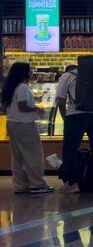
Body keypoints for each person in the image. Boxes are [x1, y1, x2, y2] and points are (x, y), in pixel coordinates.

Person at [55, 60, 93, 192]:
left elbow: (60, 99)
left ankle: (72, 183)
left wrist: (66, 117)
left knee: (70, 147)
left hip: (75, 114)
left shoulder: (66, 76)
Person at [3, 62, 52, 195]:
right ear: (24, 72)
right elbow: (22, 106)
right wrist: (38, 109)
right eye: (30, 70)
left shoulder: (11, 87)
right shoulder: (23, 87)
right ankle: (37, 184)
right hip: (24, 124)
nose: (32, 72)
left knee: (18, 157)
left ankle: (20, 185)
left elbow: (5, 108)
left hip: (12, 124)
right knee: (33, 155)